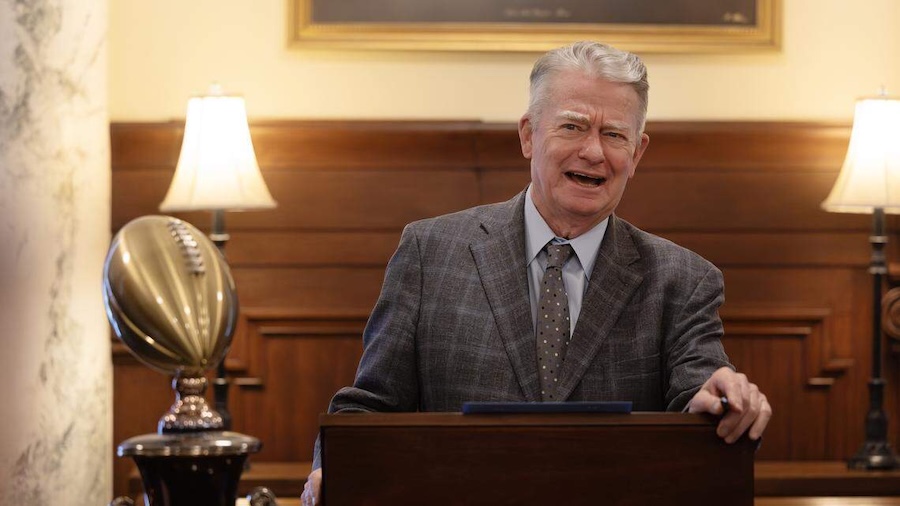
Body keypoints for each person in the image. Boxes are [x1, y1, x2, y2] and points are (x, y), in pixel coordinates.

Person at [301, 40, 771, 505]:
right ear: (528, 135)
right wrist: (333, 471)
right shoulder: (430, 253)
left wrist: (722, 402)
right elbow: (370, 408)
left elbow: (699, 393)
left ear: (637, 153)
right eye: (573, 126)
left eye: (614, 135)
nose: (594, 151)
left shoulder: (683, 279)